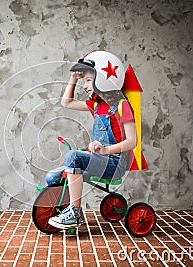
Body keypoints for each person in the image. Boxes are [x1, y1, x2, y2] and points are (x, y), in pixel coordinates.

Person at [48, 51, 137, 229]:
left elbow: (132, 141)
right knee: (52, 177)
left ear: (103, 79)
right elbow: (67, 102)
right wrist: (73, 78)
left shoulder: (122, 106)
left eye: (88, 80)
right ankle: (66, 210)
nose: (85, 85)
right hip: (99, 160)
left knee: (73, 157)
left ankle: (75, 212)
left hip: (114, 163)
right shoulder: (96, 105)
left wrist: (105, 150)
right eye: (84, 81)